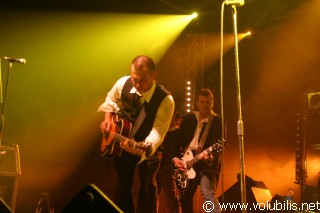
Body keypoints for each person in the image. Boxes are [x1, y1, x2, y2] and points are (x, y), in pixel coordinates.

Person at [98, 55, 175, 213]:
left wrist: (143, 148)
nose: (138, 84)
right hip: (122, 142)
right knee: (123, 185)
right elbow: (111, 100)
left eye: (143, 80)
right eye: (135, 79)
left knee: (148, 186)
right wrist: (108, 120)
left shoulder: (166, 100)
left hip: (146, 147)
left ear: (154, 76)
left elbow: (158, 132)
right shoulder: (123, 82)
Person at [172, 88, 223, 213]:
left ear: (212, 103)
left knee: (207, 191)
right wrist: (176, 158)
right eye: (202, 102)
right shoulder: (189, 118)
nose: (204, 105)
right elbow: (177, 141)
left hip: (205, 164)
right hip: (186, 161)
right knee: (184, 198)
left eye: (207, 102)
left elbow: (219, 146)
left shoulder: (218, 121)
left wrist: (210, 157)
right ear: (197, 103)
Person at [156, 111, 182, 213]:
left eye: (171, 118)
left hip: (168, 168)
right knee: (154, 195)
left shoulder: (177, 133)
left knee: (171, 197)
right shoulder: (164, 132)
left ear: (177, 120)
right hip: (158, 167)